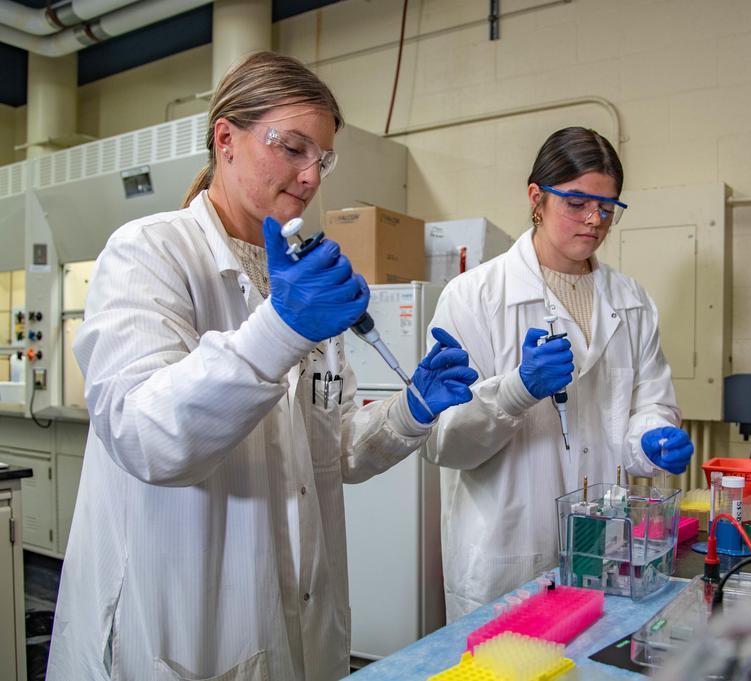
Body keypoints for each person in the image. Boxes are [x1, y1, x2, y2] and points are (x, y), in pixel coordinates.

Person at [47, 52, 477, 680]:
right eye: (294, 148)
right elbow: (145, 435)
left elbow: (332, 451)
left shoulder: (297, 275)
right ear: (226, 138)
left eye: (322, 159)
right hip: (183, 622)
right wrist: (281, 329)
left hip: (298, 611)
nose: (310, 175)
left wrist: (410, 412)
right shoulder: (149, 252)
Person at [425, 126, 695, 620]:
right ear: (537, 198)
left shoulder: (632, 301)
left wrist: (652, 436)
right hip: (508, 549)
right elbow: (446, 442)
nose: (595, 220)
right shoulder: (473, 297)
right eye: (577, 203)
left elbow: (649, 400)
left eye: (607, 207)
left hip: (603, 546)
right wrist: (517, 390)